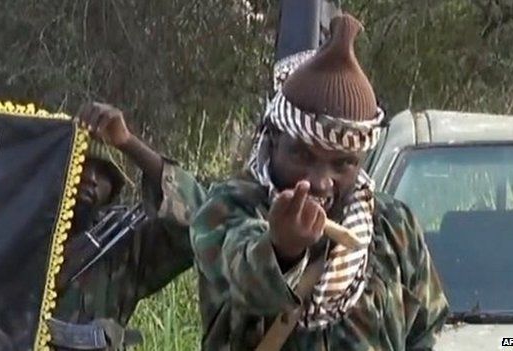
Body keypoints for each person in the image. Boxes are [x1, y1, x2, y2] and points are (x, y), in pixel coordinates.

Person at [190, 14, 449, 350]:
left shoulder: (392, 226)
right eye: (303, 156)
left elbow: (424, 329)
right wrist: (282, 250)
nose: (320, 182)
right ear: (273, 141)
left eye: (343, 163)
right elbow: (242, 279)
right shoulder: (228, 208)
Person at [51, 103, 207, 350]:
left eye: (102, 174)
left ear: (112, 189)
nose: (91, 178)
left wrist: (127, 142)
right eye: (81, 164)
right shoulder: (22, 233)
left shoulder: (124, 247)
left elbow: (200, 223)